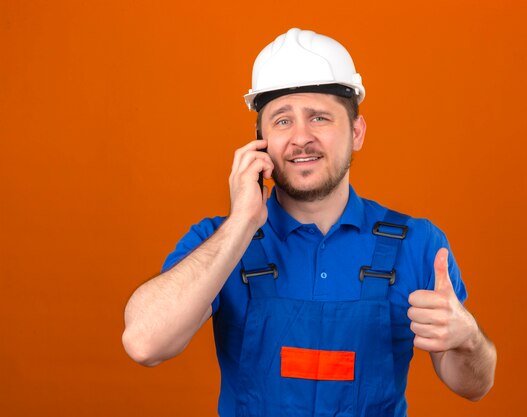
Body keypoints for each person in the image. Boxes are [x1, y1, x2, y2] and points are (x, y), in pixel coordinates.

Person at [123, 28, 496, 416]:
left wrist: (468, 339)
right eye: (282, 121)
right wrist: (241, 224)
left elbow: (473, 386)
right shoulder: (218, 243)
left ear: (356, 132)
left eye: (319, 117)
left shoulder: (416, 244)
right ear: (260, 142)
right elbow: (145, 343)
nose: (301, 138)